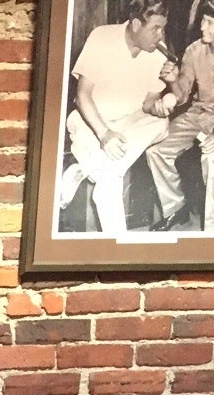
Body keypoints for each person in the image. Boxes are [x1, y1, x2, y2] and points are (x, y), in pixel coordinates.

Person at [57, 0, 172, 234]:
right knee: (109, 183)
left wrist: (158, 106)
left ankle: (86, 169)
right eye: (155, 28)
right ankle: (121, 249)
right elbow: (82, 97)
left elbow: (148, 103)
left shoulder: (158, 53)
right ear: (137, 24)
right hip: (91, 121)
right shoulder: (102, 37)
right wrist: (104, 134)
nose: (160, 36)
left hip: (130, 123)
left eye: (163, 28)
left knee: (162, 124)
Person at [146, 0, 214, 231]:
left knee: (211, 160)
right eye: (203, 21)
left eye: (210, 23)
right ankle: (175, 208)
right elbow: (183, 94)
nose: (203, 27)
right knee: (157, 151)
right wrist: (173, 83)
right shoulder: (196, 50)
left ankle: (210, 231)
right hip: (199, 113)